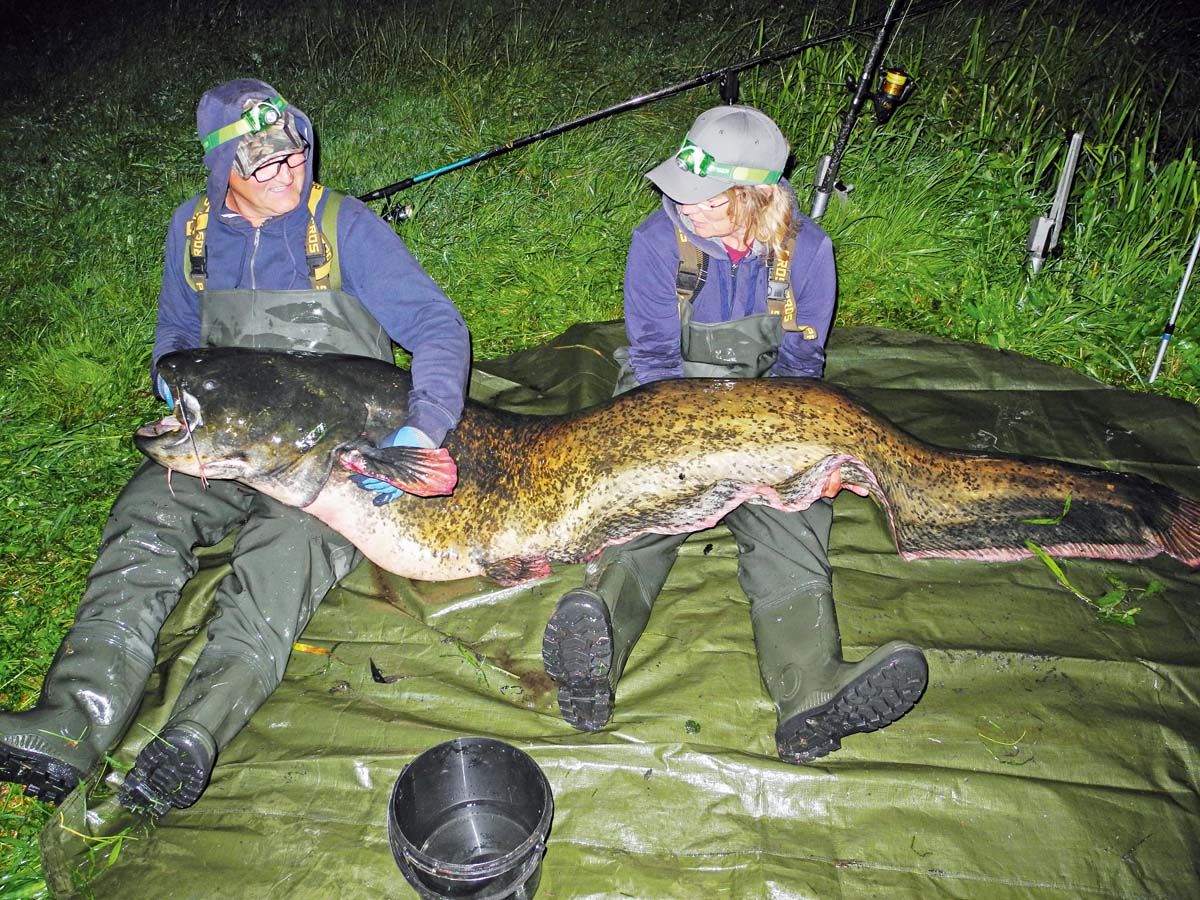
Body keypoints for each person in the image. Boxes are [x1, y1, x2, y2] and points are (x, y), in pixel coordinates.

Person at [0, 79, 470, 814]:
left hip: (327, 448)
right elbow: (176, 341)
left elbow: (440, 330)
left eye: (294, 155)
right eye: (262, 165)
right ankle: (70, 723)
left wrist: (424, 427)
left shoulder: (347, 228)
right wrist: (174, 396)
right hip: (227, 435)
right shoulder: (192, 231)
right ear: (224, 174)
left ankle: (193, 735)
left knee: (278, 558)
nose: (287, 173)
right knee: (142, 524)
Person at [542, 104, 928, 763]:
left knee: (794, 528)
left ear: (756, 197)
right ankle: (594, 655)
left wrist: (803, 462)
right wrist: (689, 462)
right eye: (680, 190)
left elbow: (802, 369)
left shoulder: (807, 253)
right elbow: (658, 362)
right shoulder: (658, 242)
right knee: (641, 520)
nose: (683, 206)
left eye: (706, 200)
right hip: (664, 405)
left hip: (767, 413)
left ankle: (810, 696)